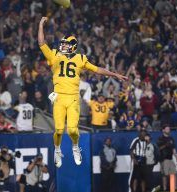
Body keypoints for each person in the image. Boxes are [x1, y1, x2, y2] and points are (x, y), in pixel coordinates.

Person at [38, 16, 128, 167]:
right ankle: (57, 149)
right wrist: (41, 24)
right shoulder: (54, 55)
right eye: (63, 44)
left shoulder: (80, 58)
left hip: (73, 98)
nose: (63, 46)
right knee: (59, 130)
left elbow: (97, 69)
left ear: (73, 47)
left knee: (73, 130)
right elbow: (41, 42)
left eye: (66, 45)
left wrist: (114, 74)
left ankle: (75, 147)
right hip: (59, 97)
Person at [157, 124, 177, 192]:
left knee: (174, 173)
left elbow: (173, 149)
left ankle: (174, 188)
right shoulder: (160, 138)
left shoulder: (171, 138)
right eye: (167, 129)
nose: (168, 130)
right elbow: (158, 148)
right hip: (164, 159)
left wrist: (176, 158)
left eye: (169, 129)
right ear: (163, 130)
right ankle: (165, 189)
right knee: (165, 174)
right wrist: (165, 145)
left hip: (170, 158)